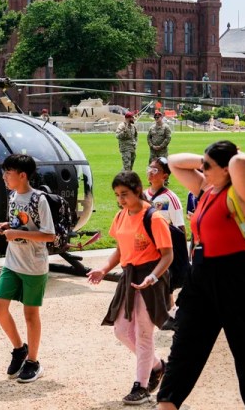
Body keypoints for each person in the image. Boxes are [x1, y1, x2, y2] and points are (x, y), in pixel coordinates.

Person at [157, 141, 245, 410]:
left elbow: (242, 164)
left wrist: (230, 156)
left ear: (226, 168)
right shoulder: (207, 188)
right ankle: (167, 403)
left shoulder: (241, 192)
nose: (203, 170)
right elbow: (174, 161)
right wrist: (206, 161)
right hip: (201, 275)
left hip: (236, 277)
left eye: (209, 166)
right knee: (184, 347)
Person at [88, 171, 173, 405]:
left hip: (150, 278)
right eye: (117, 195)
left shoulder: (154, 218)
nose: (120, 200)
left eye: (124, 194)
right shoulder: (120, 215)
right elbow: (120, 248)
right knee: (122, 331)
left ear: (138, 190)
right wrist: (103, 269)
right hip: (130, 276)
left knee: (144, 333)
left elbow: (168, 256)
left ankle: (141, 386)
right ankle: (157, 366)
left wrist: (153, 278)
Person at [0, 154, 55, 383]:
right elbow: (23, 223)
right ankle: (20, 349)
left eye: (8, 172)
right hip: (13, 262)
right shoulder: (12, 196)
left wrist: (16, 233)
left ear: (22, 175)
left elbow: (49, 234)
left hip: (34, 265)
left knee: (30, 315)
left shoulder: (39, 199)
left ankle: (33, 361)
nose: (4, 176)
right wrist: (9, 225)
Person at [144, 157, 186, 331]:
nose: (150, 173)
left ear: (165, 176)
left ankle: (171, 312)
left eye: (155, 170)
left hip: (165, 246)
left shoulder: (171, 198)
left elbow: (180, 227)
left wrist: (182, 253)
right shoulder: (144, 195)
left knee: (166, 282)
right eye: (150, 169)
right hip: (148, 246)